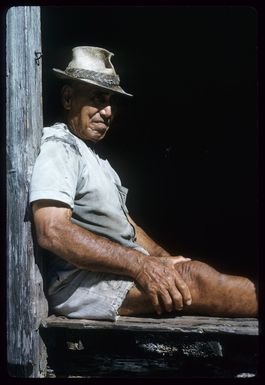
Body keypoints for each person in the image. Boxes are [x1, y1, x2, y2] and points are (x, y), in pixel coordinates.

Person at [30, 46, 258, 321]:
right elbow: (52, 230)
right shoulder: (60, 147)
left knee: (186, 270)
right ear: (68, 99)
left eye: (111, 101)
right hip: (80, 285)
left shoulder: (97, 160)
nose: (108, 111)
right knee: (193, 280)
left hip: (115, 271)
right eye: (97, 99)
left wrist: (161, 259)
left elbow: (128, 226)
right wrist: (140, 265)